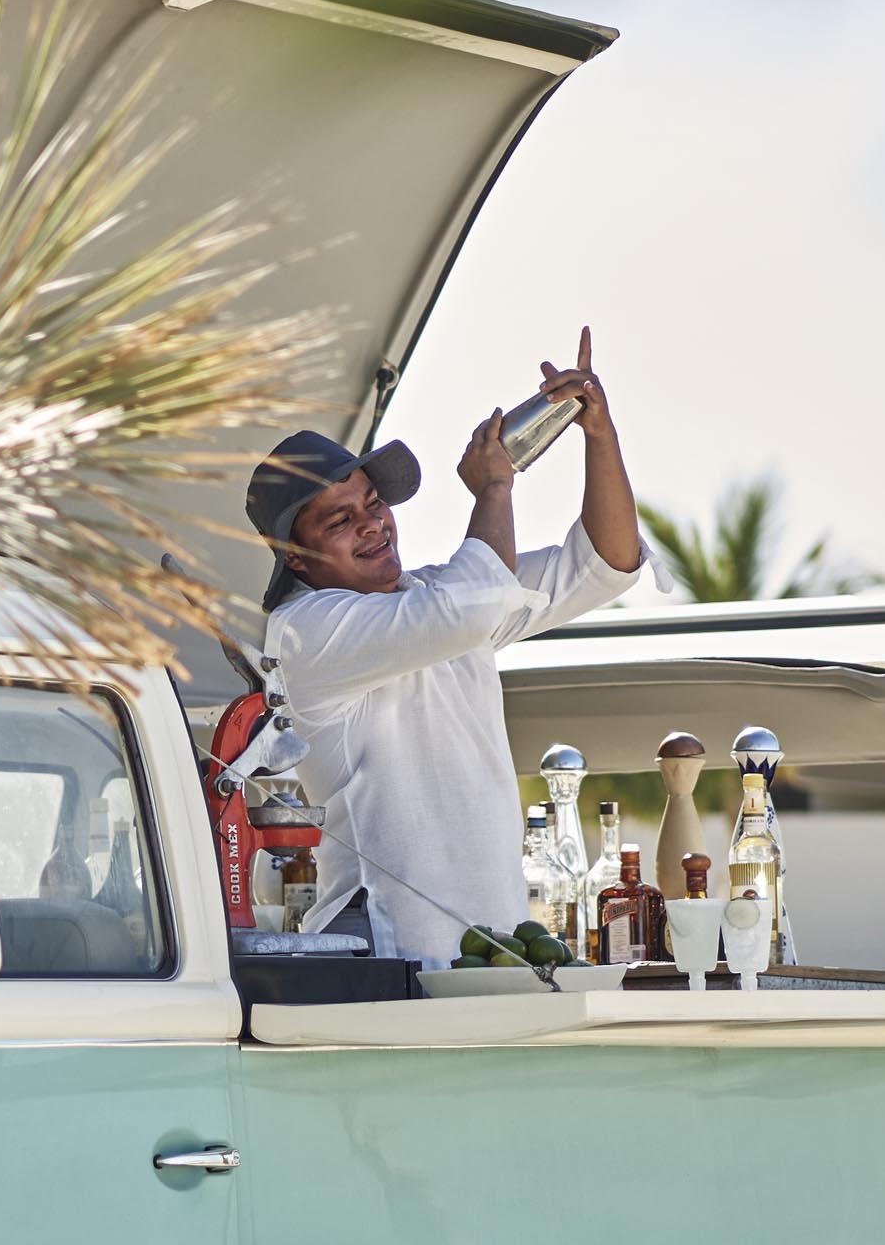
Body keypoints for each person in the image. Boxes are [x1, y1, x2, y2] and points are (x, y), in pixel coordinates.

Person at [246, 333, 643, 957]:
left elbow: (606, 565)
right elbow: (468, 606)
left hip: (494, 948)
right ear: (296, 558)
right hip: (383, 956)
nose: (373, 524)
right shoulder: (303, 629)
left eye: (373, 504)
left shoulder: (437, 599)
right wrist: (494, 489)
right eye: (340, 520)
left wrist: (598, 433)